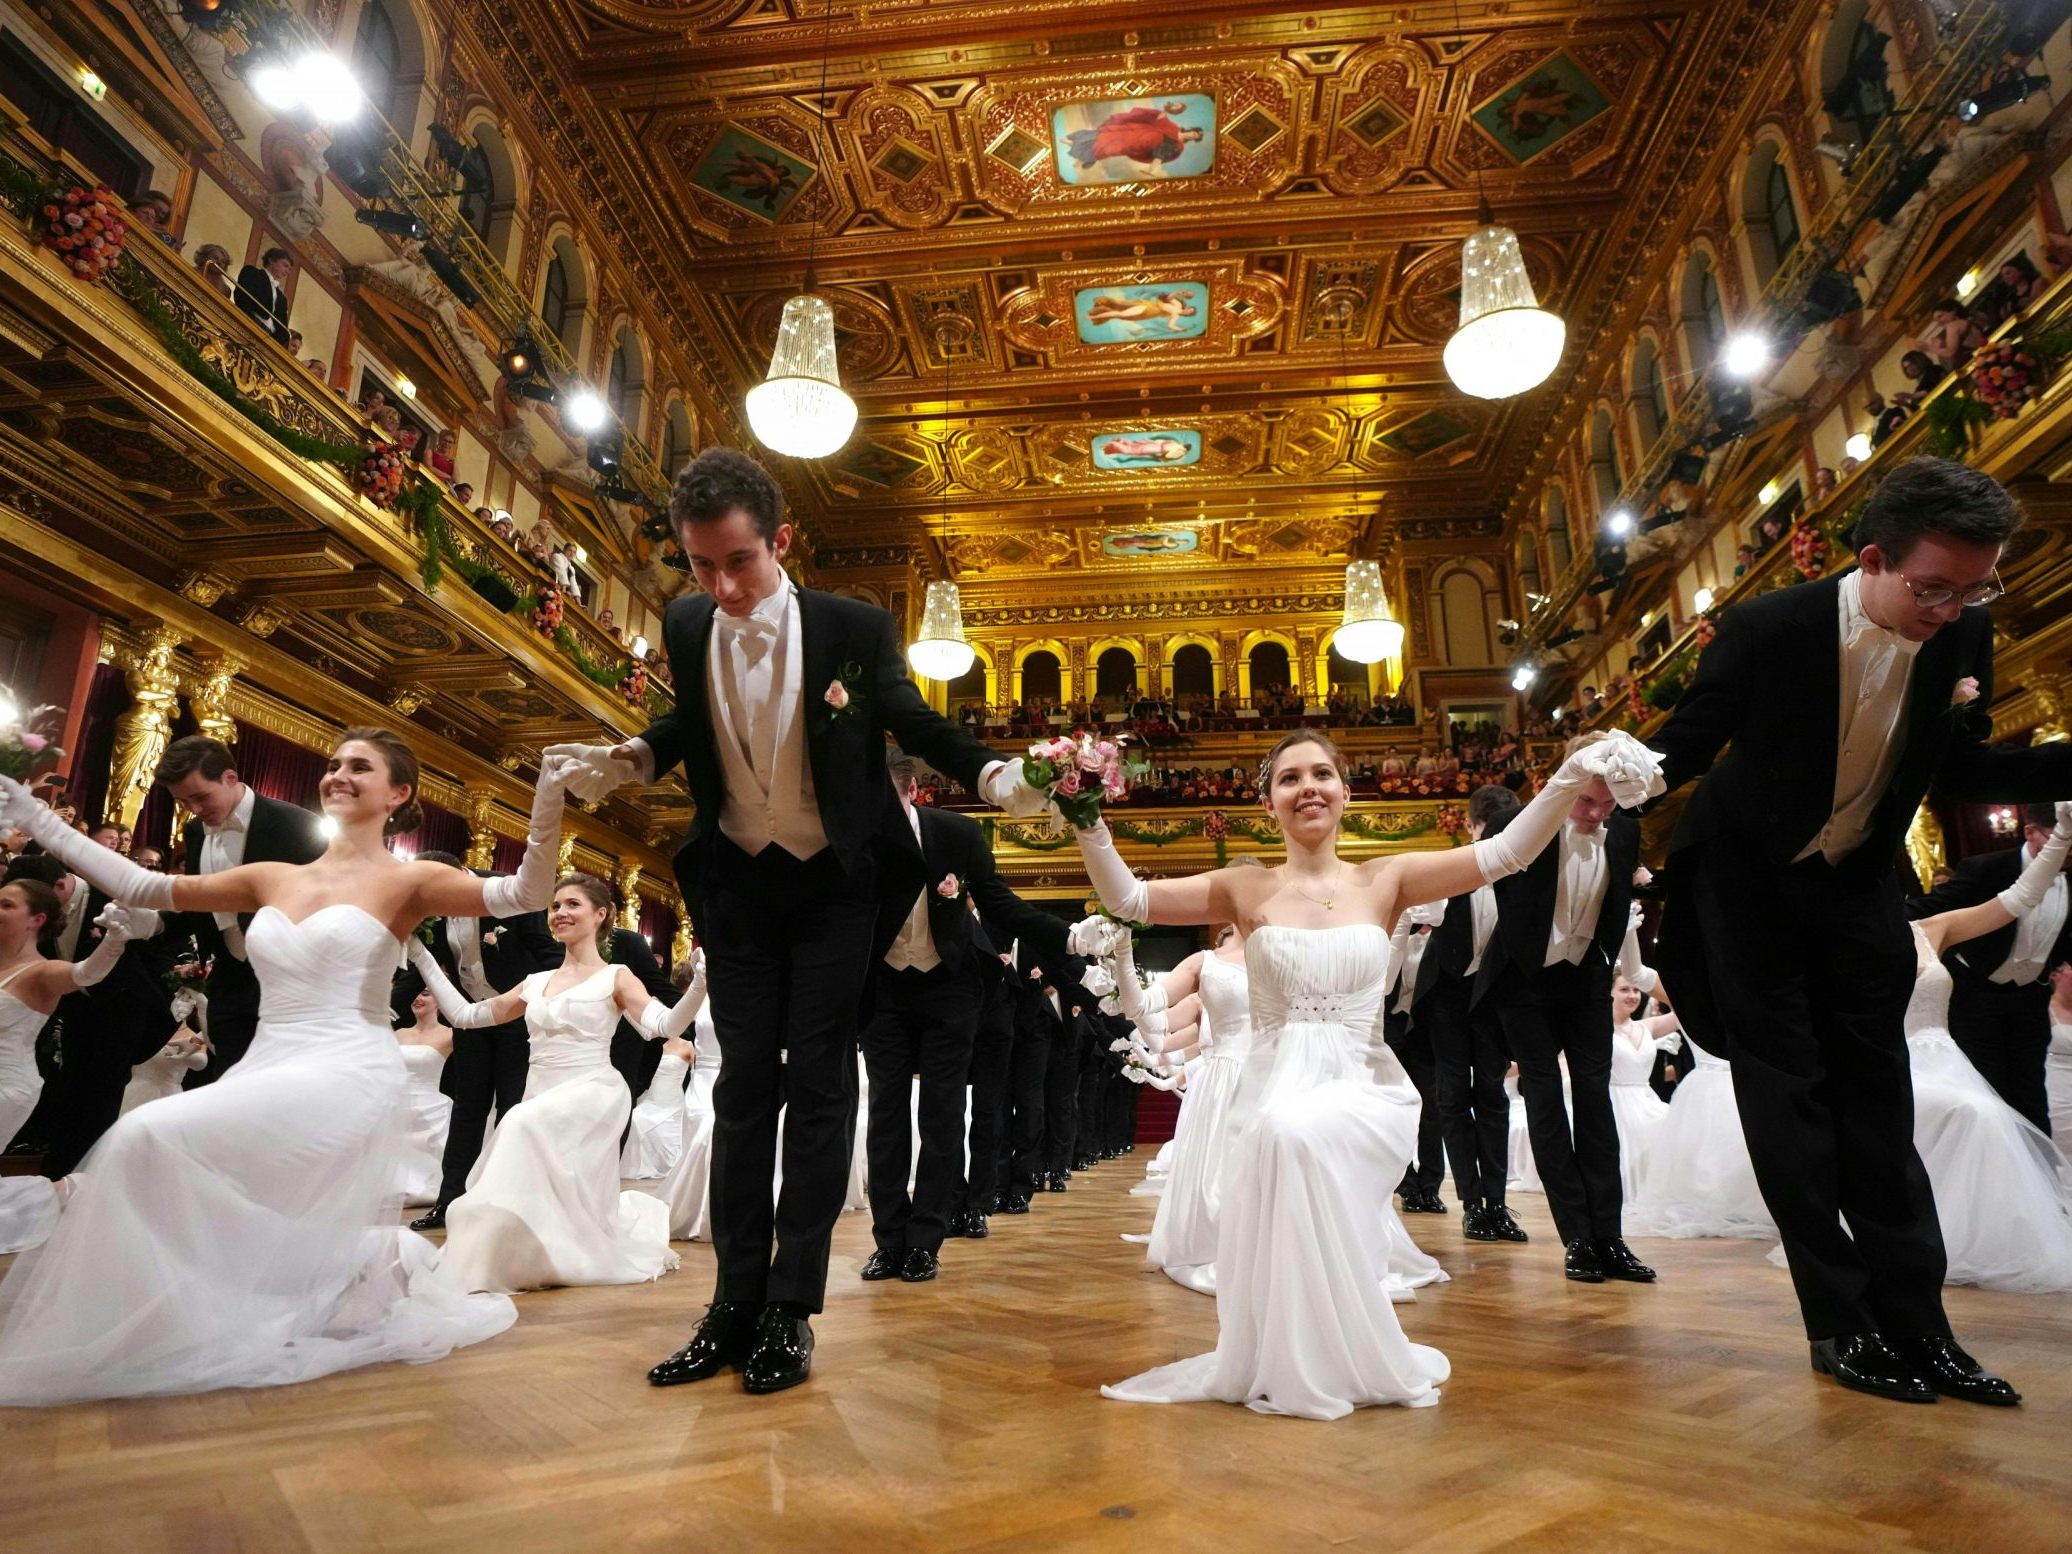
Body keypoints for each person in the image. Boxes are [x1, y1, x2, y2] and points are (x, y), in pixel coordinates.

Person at [562, 447, 1051, 1397]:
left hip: (834, 888)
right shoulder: (685, 619)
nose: (722, 585)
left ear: (780, 540)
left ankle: (792, 1305)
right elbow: (690, 725)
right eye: (701, 566)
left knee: (820, 1086)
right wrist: (633, 754)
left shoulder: (852, 626)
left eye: (738, 561)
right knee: (742, 1088)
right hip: (739, 886)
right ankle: (730, 1303)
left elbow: (910, 720)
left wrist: (992, 773)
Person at [1067, 725, 1656, 1419]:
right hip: (1272, 1081)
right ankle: (1297, 1351)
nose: (1307, 787)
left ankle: (1334, 1348)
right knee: (1281, 1135)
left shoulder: (1390, 878)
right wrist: (1084, 817)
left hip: (1360, 1083)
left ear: (1346, 792)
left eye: (1321, 774)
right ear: (1269, 804)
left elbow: (1507, 853)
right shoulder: (1241, 885)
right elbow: (1131, 901)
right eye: (1289, 778)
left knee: (1293, 1136)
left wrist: (1565, 779)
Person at [1649, 456, 2072, 1406]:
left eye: (1975, 587)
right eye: (1933, 587)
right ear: (1874, 559)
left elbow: (1958, 770)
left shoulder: (1966, 633)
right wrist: (1601, 782)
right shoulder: (1770, 628)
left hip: (1858, 891)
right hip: (1746, 885)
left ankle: (1922, 1329)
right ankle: (1839, 1324)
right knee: (1791, 1104)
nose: (1952, 609)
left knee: (1882, 1111)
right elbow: (1686, 740)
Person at [0, 727, 576, 1403]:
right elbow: (143, 884)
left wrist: (549, 798)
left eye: (360, 767)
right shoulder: (274, 877)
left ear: (399, 793)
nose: (338, 774)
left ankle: (314, 1275)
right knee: (162, 1154)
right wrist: (34, 817)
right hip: (272, 1059)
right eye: (333, 764)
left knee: (141, 1135)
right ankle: (326, 1270)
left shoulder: (412, 879)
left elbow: (528, 893)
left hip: (349, 1065)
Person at [409, 874, 699, 1293]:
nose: (560, 913)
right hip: (543, 1087)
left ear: (600, 915)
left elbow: (664, 1025)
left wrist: (701, 986)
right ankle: (531, 1249)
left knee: (519, 1123)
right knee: (544, 1169)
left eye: (573, 905)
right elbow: (465, 1016)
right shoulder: (536, 982)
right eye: (556, 906)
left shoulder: (617, 976)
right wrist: (419, 954)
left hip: (594, 1088)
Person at [861, 750, 1068, 1283]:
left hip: (949, 989)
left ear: (909, 791)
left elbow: (998, 903)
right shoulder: (853, 837)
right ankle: (889, 1238)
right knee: (886, 1113)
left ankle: (926, 1239)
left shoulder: (956, 834)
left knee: (943, 1112)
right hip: (882, 989)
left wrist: (1063, 936)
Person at [1473, 732, 1655, 1286]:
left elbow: (1618, 904)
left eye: (1606, 802)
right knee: (1547, 1100)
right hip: (1525, 983)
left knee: (1597, 1104)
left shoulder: (1623, 831)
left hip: (1585, 982)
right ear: (1568, 779)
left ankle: (1611, 1237)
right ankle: (1577, 1238)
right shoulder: (1523, 826)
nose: (1597, 812)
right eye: (1586, 800)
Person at [1891, 811, 2072, 1289]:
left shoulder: (1932, 928)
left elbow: (2018, 899)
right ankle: (1923, 1238)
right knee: (1980, 1114)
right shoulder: (1845, 946)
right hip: (1894, 1063)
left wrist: (2062, 837)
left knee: (1999, 1112)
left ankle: (1988, 1236)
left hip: (1946, 1058)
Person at [386, 849, 560, 1229]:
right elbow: (422, 972)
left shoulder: (507, 894)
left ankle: (506, 1204)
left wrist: (561, 997)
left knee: (512, 1111)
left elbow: (548, 954)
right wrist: (383, 1015)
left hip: (518, 1018)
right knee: (467, 1111)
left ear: (458, 875)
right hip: (470, 1021)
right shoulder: (432, 909)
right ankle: (449, 1202)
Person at [159, 736, 325, 1083]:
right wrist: (154, 923)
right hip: (229, 981)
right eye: (184, 801)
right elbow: (199, 902)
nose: (195, 810)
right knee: (231, 1085)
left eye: (201, 796)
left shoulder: (297, 825)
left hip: (292, 984)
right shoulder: (194, 831)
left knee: (281, 1090)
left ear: (230, 778)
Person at [1412, 784, 1528, 1243]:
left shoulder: (1522, 867)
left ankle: (1497, 1204)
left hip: (1492, 998)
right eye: (1488, 831)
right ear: (1470, 828)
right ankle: (1472, 1204)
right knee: (1454, 1097)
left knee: (1494, 1097)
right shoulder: (1450, 866)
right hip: (1446, 995)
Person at [1909, 802, 2069, 1132]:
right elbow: (1935, 907)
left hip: (2030, 997)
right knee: (1988, 1092)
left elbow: (2041, 913)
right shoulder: (1986, 869)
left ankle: (2038, 1172)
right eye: (2059, 839)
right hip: (1977, 996)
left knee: (2031, 1092)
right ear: (2030, 832)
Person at [393, 989, 454, 1208]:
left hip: (432, 1105)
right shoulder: (399, 1034)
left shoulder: (450, 1035)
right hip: (397, 1104)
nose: (417, 998)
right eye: (415, 994)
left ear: (439, 1000)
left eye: (426, 994)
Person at [234, 247, 294, 345]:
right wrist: (250, 323)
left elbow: (282, 326)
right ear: (271, 260)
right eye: (285, 265)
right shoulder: (252, 273)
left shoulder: (282, 298)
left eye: (289, 269)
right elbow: (242, 298)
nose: (287, 271)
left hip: (269, 339)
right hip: (248, 325)